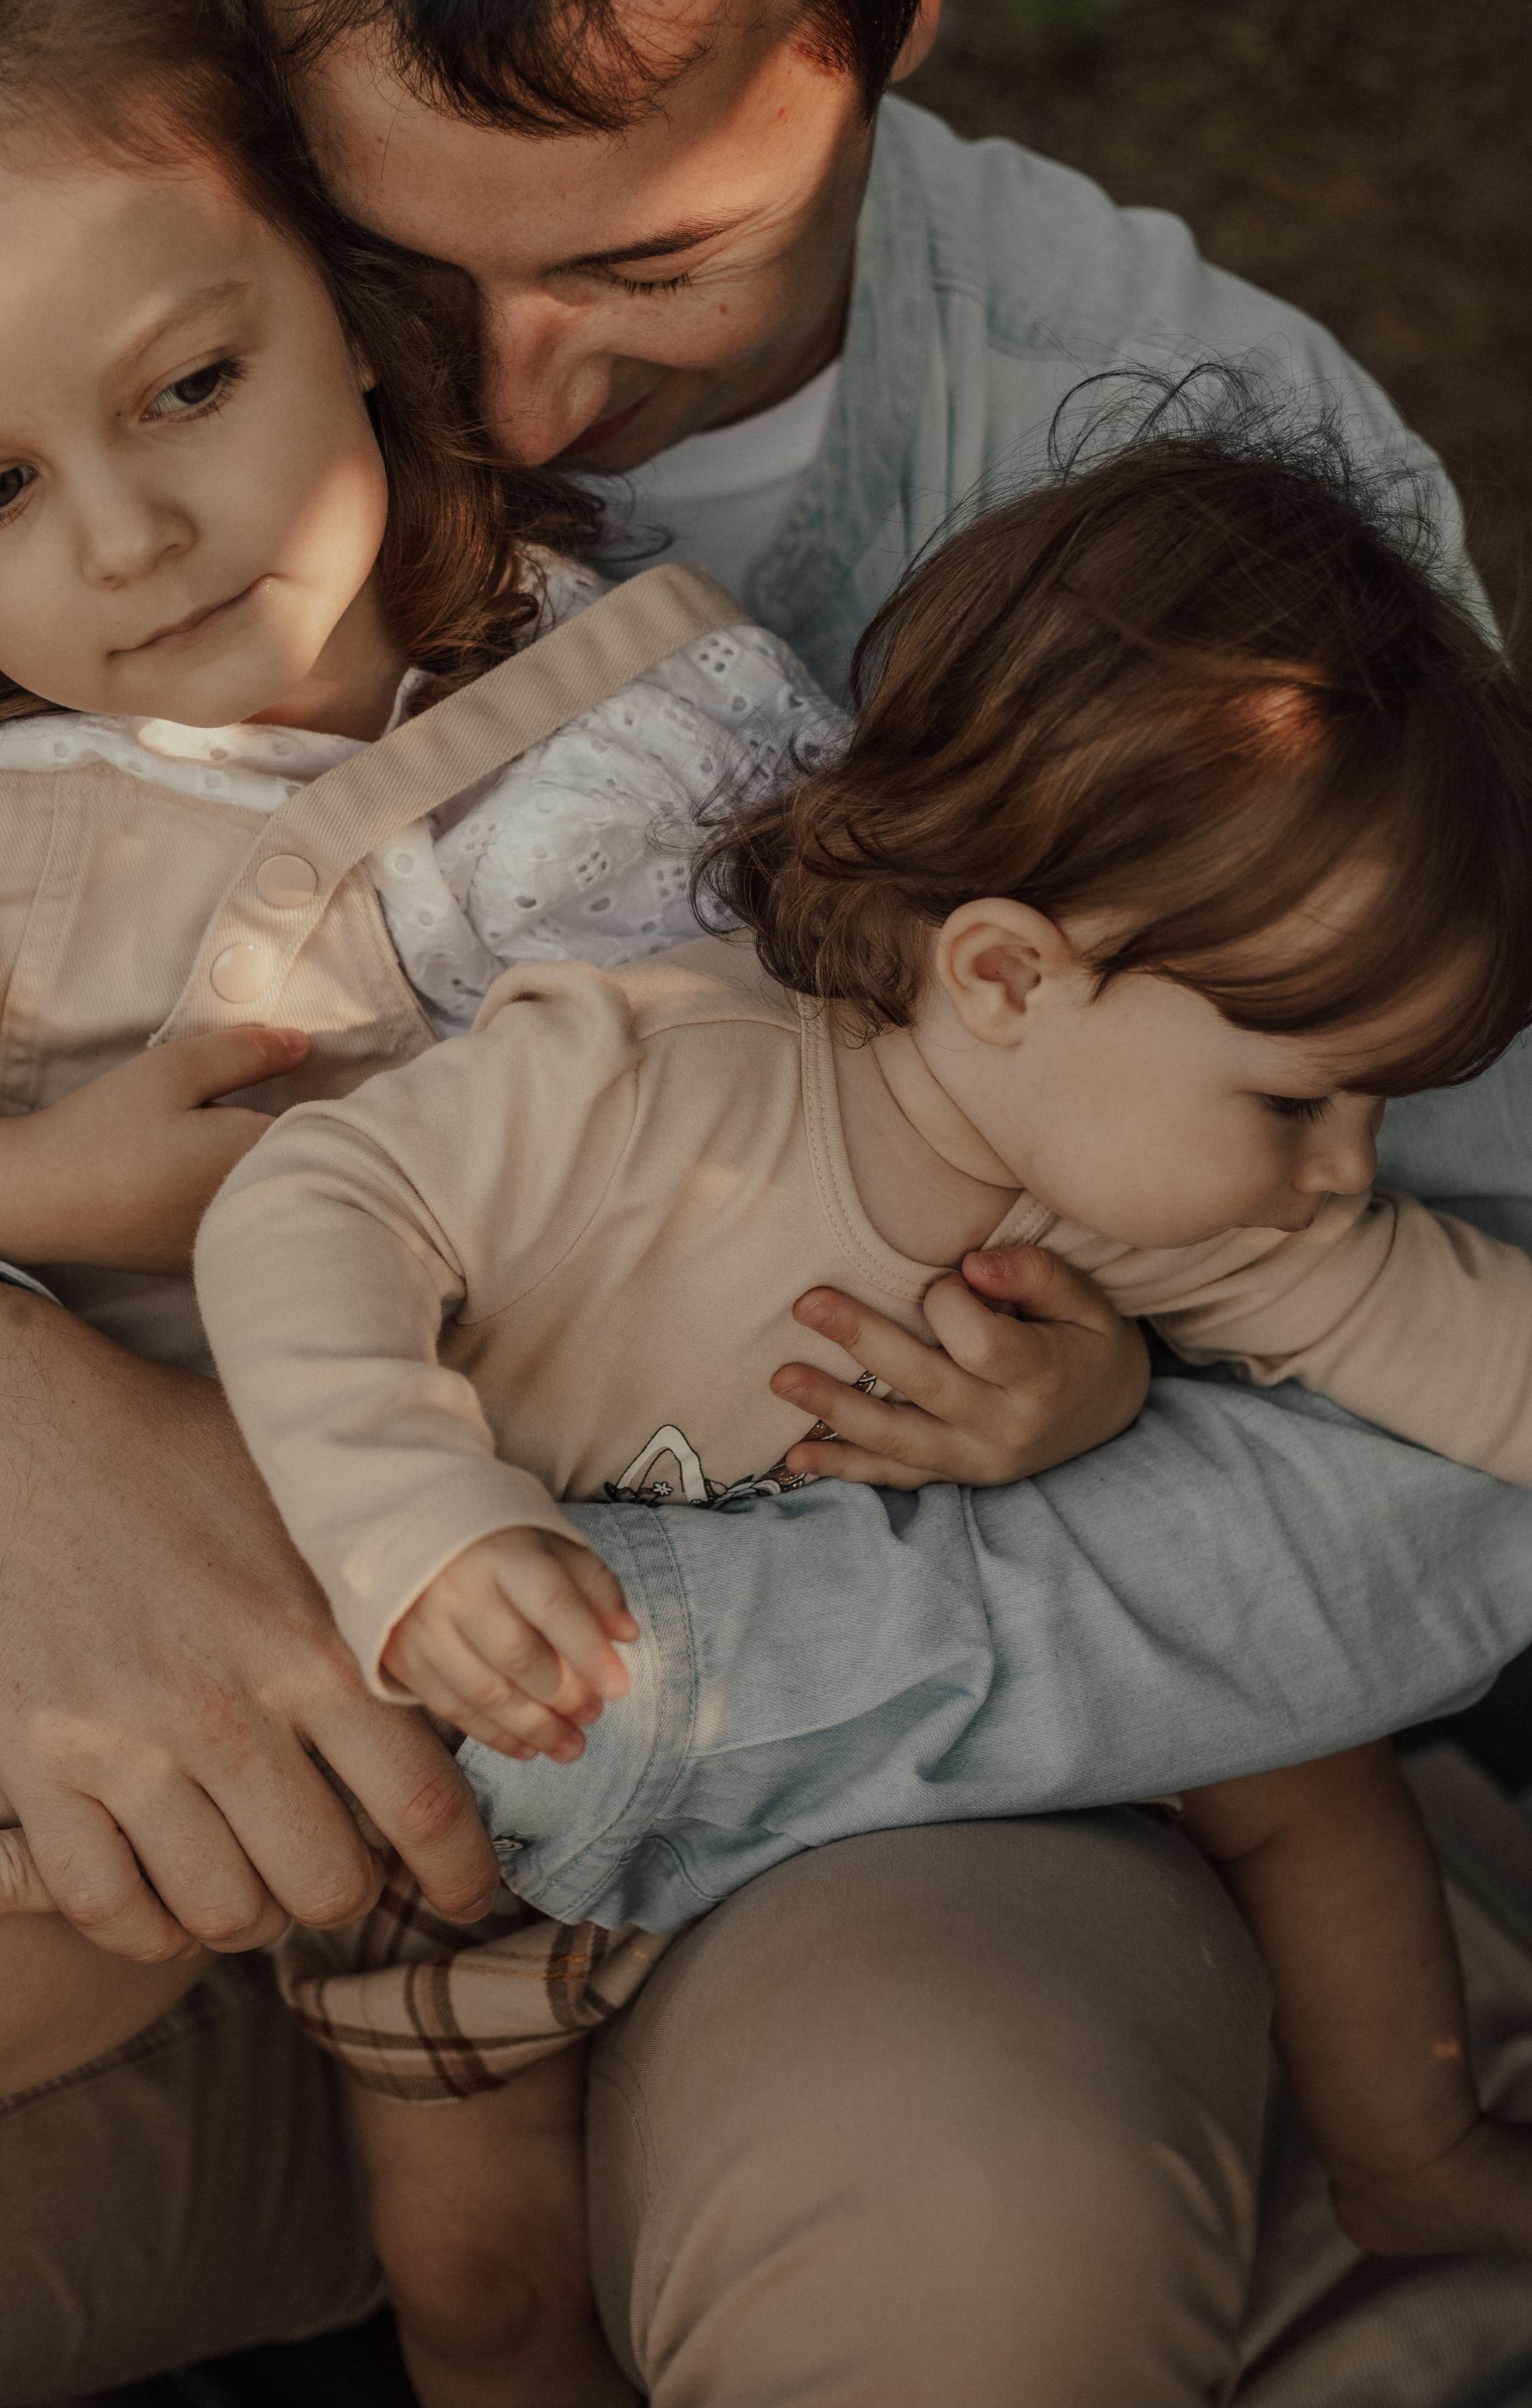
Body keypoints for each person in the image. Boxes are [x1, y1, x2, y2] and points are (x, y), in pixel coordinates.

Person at [0, 0, 1532, 2399]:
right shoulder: (20, 377)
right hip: (30, 1725)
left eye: (654, 264)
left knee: (963, 2267)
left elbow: (1431, 1449)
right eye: (396, 260)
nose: (498, 394)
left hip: (852, 1774)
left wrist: (517, 1655)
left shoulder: (1203, 501)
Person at [0, 0, 915, 2397]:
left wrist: (174, 1571)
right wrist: (12, 1197)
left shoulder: (602, 765)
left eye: (188, 385)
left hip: (300, 1662)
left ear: (352, 292)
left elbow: (726, 1264)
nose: (132, 535)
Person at [200, 417, 1532, 2406]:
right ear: (1003, 973)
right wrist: (421, 1519)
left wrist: (1109, 1388)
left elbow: (1457, 1337)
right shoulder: (662, 1084)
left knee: (1302, 1750)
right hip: (491, 1787)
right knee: (479, 2277)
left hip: (855, 1826)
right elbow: (311, 1201)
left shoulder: (1159, 1201)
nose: (1345, 1167)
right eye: (1297, 1094)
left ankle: (1404, 2149)